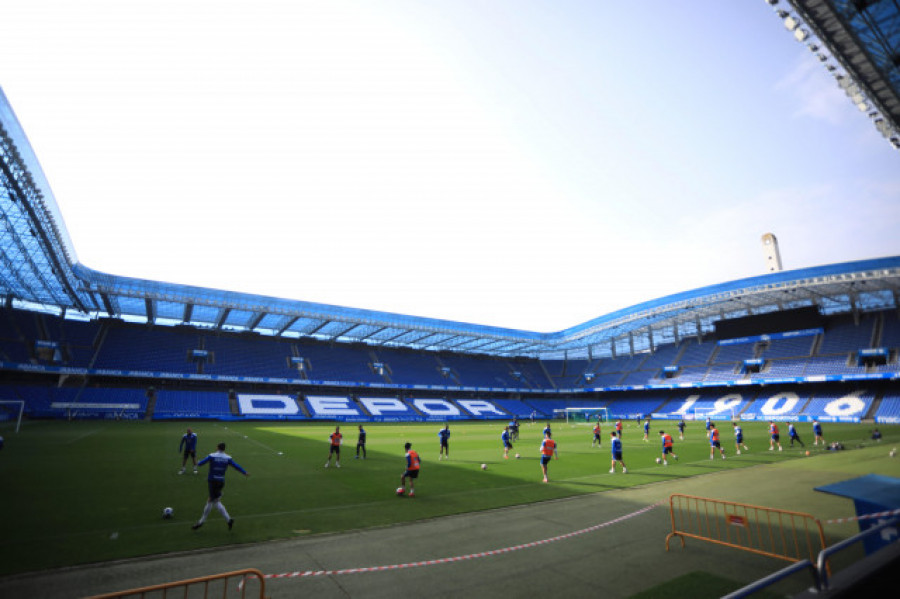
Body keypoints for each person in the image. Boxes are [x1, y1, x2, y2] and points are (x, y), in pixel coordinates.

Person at [191, 442, 249, 531]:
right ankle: (228, 520)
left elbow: (200, 463)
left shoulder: (212, 456)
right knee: (215, 501)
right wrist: (244, 472)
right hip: (221, 481)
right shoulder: (228, 458)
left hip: (212, 481)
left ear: (217, 447)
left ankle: (201, 522)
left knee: (211, 500)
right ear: (224, 449)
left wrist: (194, 457)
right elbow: (236, 466)